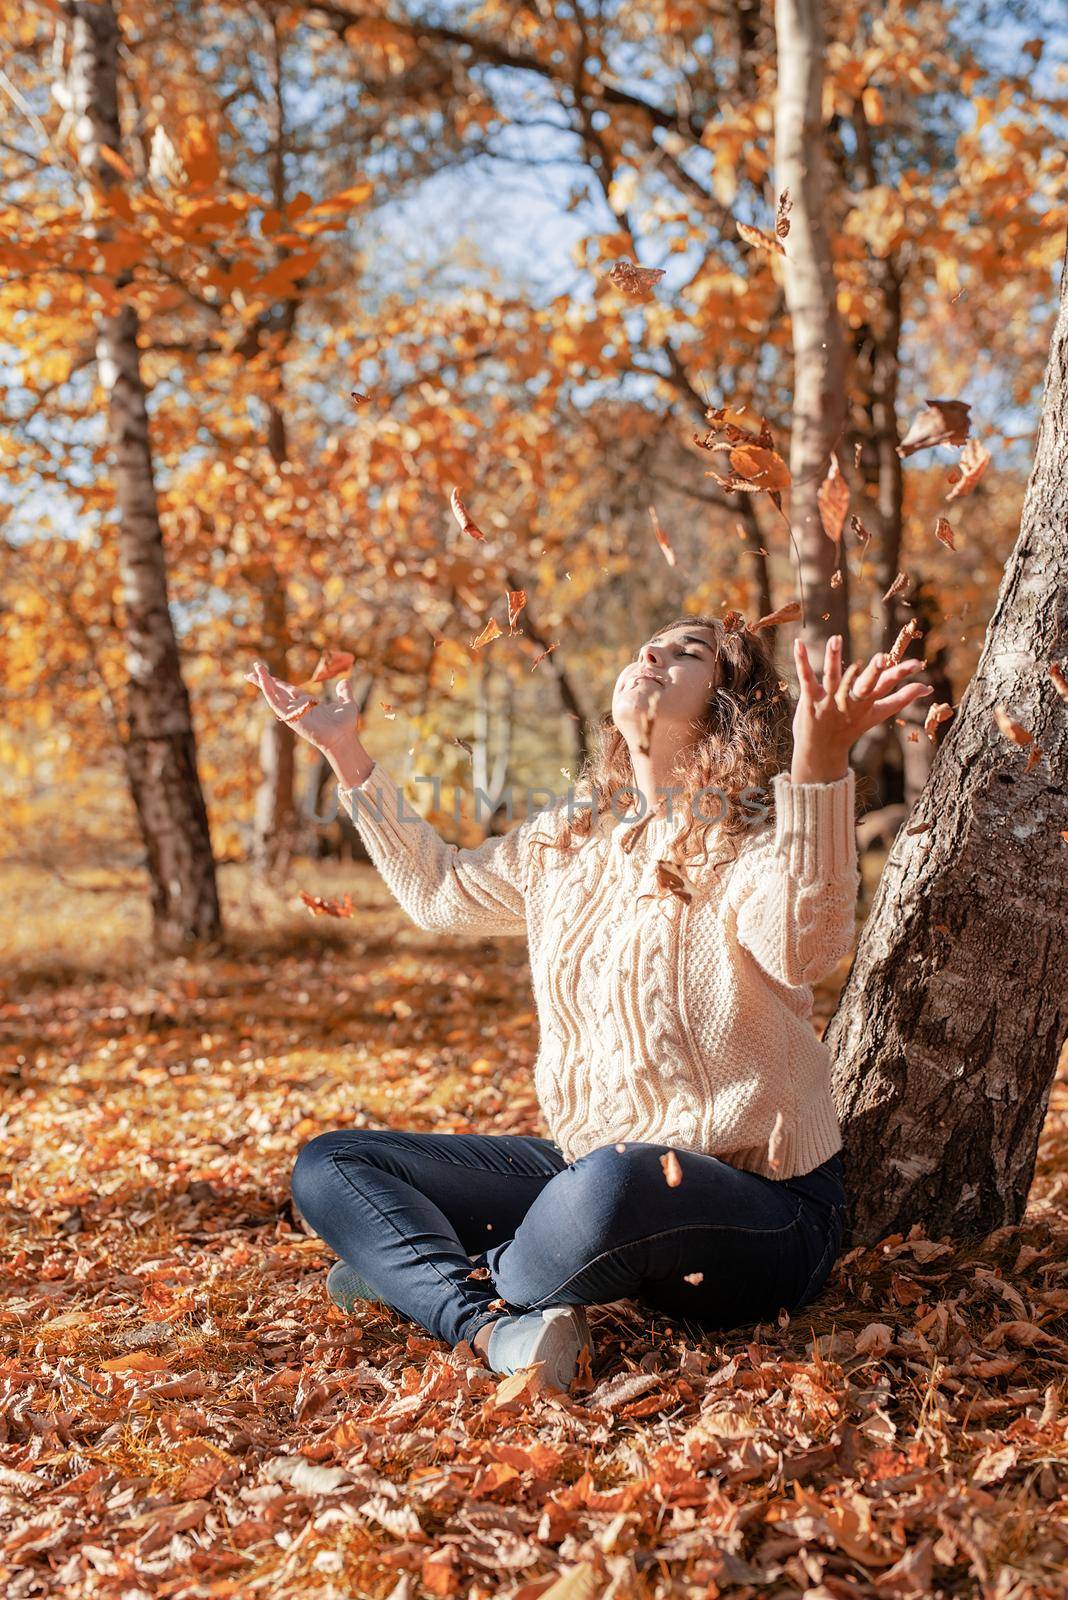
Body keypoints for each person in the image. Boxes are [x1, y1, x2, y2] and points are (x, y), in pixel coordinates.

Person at [246, 615, 932, 1390]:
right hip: (585, 1174)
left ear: (728, 704)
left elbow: (809, 946)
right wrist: (345, 750)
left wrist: (819, 760)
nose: (652, 650)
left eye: (689, 652)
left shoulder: (751, 842)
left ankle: (425, 1277)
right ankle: (491, 1327)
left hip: (760, 1209)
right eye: (653, 639)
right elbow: (438, 892)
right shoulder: (569, 841)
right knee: (332, 1163)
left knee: (618, 1184)